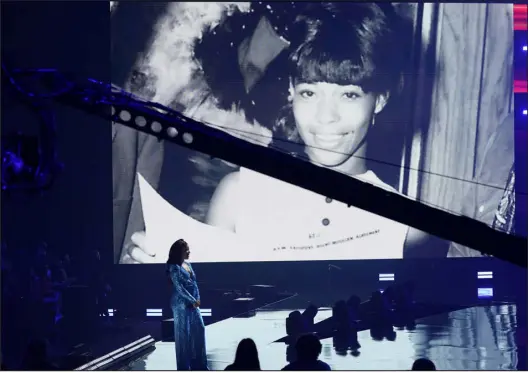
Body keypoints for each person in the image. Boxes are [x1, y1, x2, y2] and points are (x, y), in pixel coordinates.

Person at [124, 2, 441, 263]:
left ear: (380, 98)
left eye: (349, 94)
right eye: (309, 93)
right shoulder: (238, 196)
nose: (325, 117)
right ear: (291, 90)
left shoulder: (410, 229)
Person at [166, 239, 208, 370]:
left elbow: (194, 283)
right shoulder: (173, 267)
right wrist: (193, 300)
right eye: (186, 250)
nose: (189, 252)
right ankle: (184, 367)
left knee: (200, 329)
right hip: (180, 304)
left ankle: (200, 364)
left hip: (193, 303)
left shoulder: (188, 264)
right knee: (183, 337)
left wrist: (198, 298)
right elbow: (179, 288)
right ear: (179, 252)